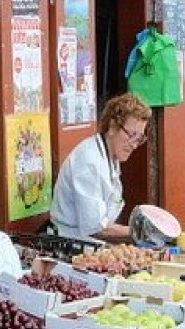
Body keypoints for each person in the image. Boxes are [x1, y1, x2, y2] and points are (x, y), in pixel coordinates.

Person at [50, 92, 152, 241]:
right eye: (131, 135)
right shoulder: (89, 162)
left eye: (139, 138)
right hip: (70, 246)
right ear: (112, 126)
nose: (134, 145)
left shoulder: (111, 155)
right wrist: (141, 232)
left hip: (90, 244)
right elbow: (95, 226)